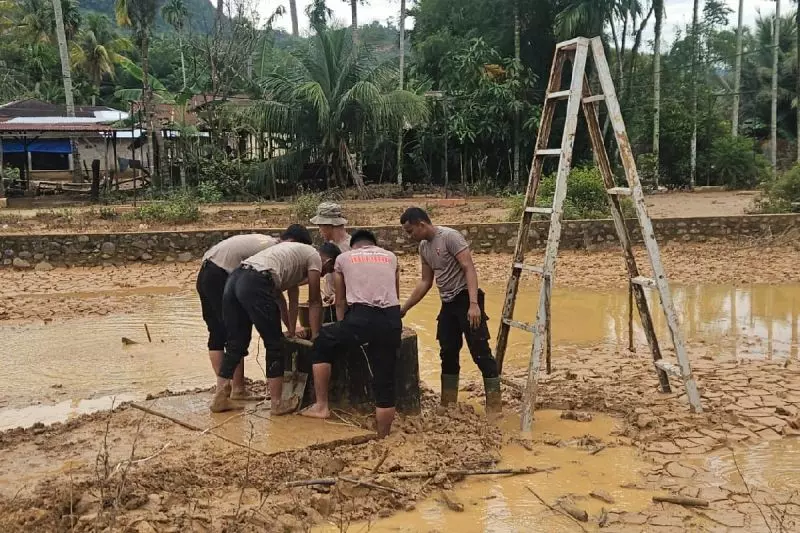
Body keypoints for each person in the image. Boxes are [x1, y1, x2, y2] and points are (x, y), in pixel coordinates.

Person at [209, 241, 341, 414]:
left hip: (235, 278)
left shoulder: (290, 259)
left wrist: (292, 330)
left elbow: (284, 300)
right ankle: (277, 403)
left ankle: (220, 397)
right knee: (274, 344)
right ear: (329, 262)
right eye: (328, 271)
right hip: (255, 281)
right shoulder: (315, 258)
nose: (324, 275)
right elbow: (314, 300)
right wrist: (317, 336)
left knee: (236, 342)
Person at [398, 207, 501, 413]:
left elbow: (468, 267)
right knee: (447, 351)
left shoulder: (450, 237)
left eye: (410, 231)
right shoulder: (424, 248)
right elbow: (426, 281)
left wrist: (474, 305)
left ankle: (495, 407)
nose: (410, 236)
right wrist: (405, 308)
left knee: (480, 352)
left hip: (466, 298)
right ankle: (448, 404)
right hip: (448, 303)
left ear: (421, 224)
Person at [301, 230, 402, 437]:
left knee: (322, 343)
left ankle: (321, 407)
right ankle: (384, 435)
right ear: (374, 244)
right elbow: (396, 294)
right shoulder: (391, 257)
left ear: (354, 245)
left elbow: (340, 300)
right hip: (391, 319)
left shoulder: (343, 258)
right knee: (385, 380)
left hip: (361, 318)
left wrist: (343, 327)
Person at [196, 225, 312, 401]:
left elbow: (277, 292)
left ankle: (229, 390)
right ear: (294, 243)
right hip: (222, 275)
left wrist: (291, 325)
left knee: (218, 333)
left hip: (206, 272)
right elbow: (276, 296)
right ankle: (237, 389)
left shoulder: (267, 242)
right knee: (235, 331)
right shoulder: (276, 251)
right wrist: (292, 326)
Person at [310, 202, 351, 304]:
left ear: (329, 225)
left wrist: (339, 296)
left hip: (345, 304)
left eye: (320, 226)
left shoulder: (351, 248)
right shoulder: (328, 246)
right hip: (330, 302)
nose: (319, 230)